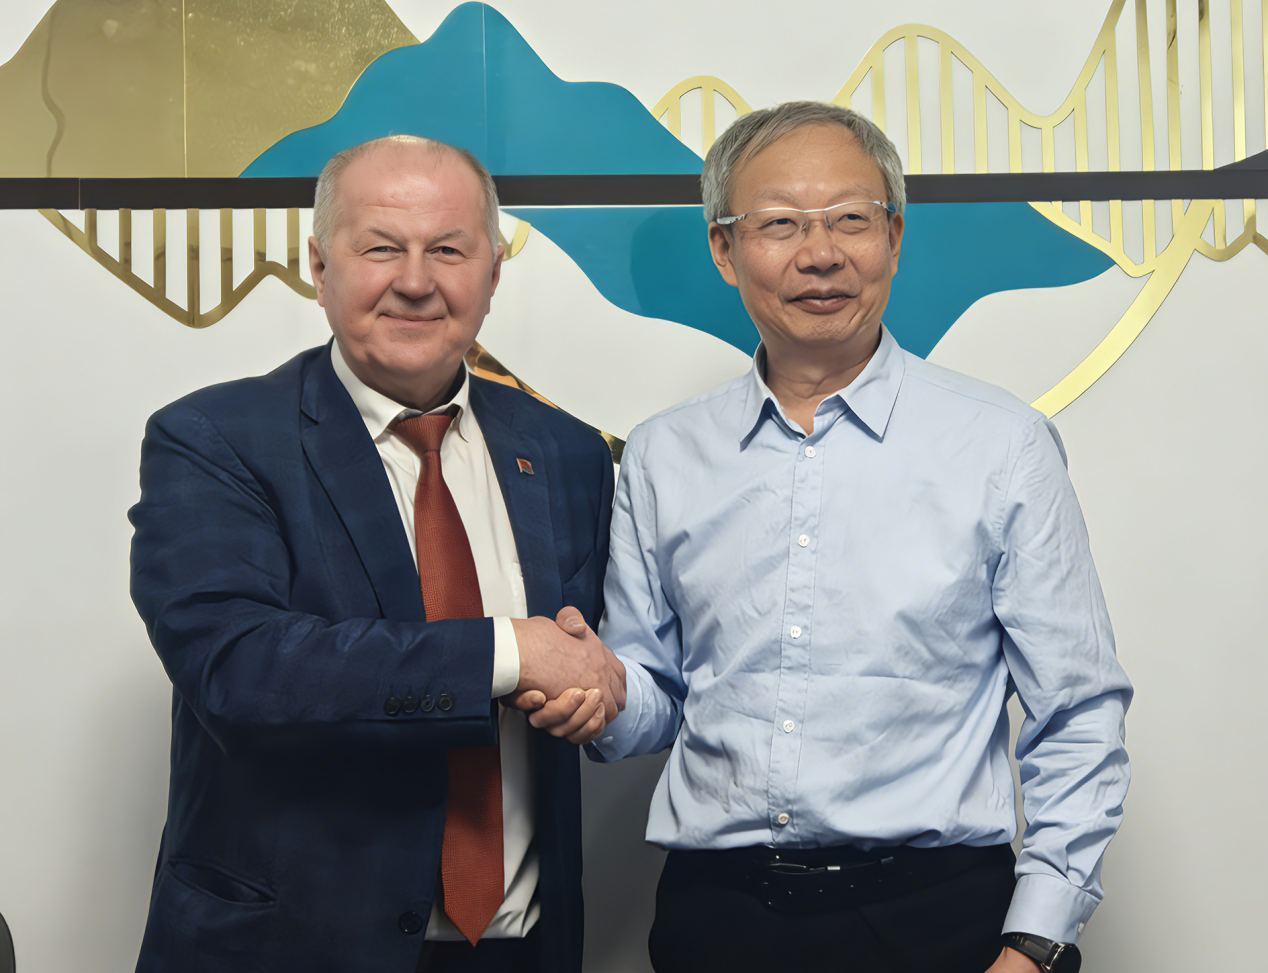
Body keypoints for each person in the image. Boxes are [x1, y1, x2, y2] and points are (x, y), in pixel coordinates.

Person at [530, 102, 1132, 973]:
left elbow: (1076, 710)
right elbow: (655, 699)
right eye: (780, 224)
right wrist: (601, 695)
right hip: (719, 921)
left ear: (893, 236)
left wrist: (1035, 940)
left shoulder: (1002, 446)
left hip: (939, 921)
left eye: (851, 218)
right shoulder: (663, 454)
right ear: (724, 250)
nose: (820, 253)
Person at [128, 135, 623, 973]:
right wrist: (510, 652)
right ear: (319, 267)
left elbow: (583, 655)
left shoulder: (568, 452)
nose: (416, 281)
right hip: (292, 950)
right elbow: (239, 668)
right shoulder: (215, 439)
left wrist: (589, 686)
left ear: (494, 274)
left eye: (449, 250)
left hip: (522, 948)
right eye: (382, 248)